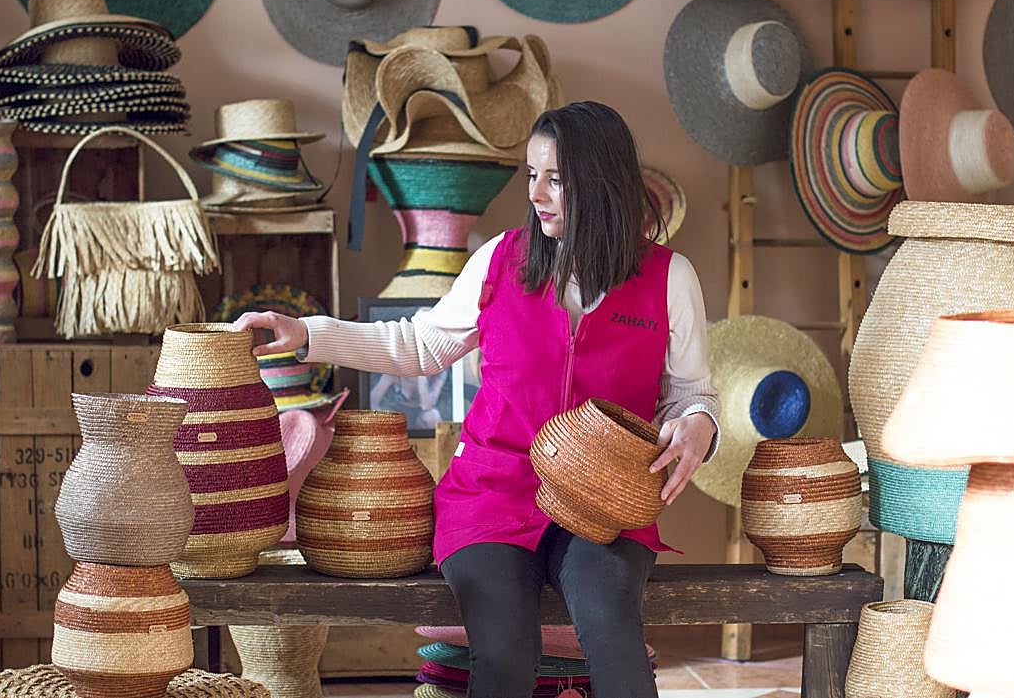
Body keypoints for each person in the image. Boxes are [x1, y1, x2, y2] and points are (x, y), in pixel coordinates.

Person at [235, 101, 720, 698]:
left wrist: (698, 424)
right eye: (531, 176)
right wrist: (308, 334)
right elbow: (416, 346)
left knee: (612, 630)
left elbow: (691, 395)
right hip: (491, 494)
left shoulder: (671, 278)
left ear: (602, 183)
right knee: (504, 652)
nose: (537, 194)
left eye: (557, 179)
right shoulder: (499, 260)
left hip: (605, 504)